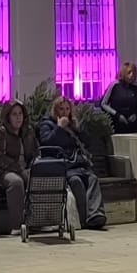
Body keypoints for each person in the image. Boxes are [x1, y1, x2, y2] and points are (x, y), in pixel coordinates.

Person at [38, 97, 107, 229]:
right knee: (76, 181)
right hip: (64, 165)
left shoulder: (72, 125)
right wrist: (59, 129)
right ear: (55, 110)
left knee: (92, 179)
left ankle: (95, 214)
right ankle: (84, 218)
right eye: (61, 109)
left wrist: (78, 129)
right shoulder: (47, 125)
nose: (64, 112)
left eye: (67, 109)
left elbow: (87, 142)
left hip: (79, 163)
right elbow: (46, 143)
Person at [0, 101, 37, 233]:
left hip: (25, 168)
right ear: (8, 117)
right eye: (14, 114)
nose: (18, 117)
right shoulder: (1, 132)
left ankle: (39, 221)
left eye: (20, 114)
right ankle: (17, 226)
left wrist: (34, 166)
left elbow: (36, 152)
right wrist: (19, 170)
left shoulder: (29, 132)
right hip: (5, 171)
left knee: (39, 179)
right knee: (16, 182)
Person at [99, 62, 137, 134]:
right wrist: (117, 115)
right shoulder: (115, 85)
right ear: (124, 73)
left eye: (133, 73)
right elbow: (103, 104)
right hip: (116, 124)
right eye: (129, 73)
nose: (131, 75)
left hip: (132, 126)